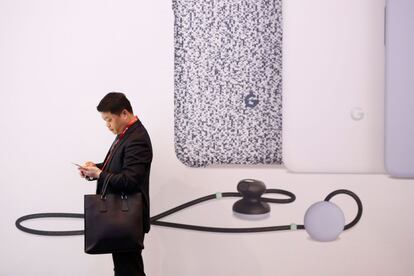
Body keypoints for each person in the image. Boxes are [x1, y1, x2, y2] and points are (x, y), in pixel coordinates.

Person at [79, 92, 152, 276]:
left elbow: (130, 180)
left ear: (125, 114)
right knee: (125, 269)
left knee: (129, 270)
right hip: (121, 216)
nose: (107, 125)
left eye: (109, 120)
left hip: (127, 218)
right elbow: (117, 168)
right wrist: (94, 169)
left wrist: (100, 174)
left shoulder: (137, 139)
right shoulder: (126, 133)